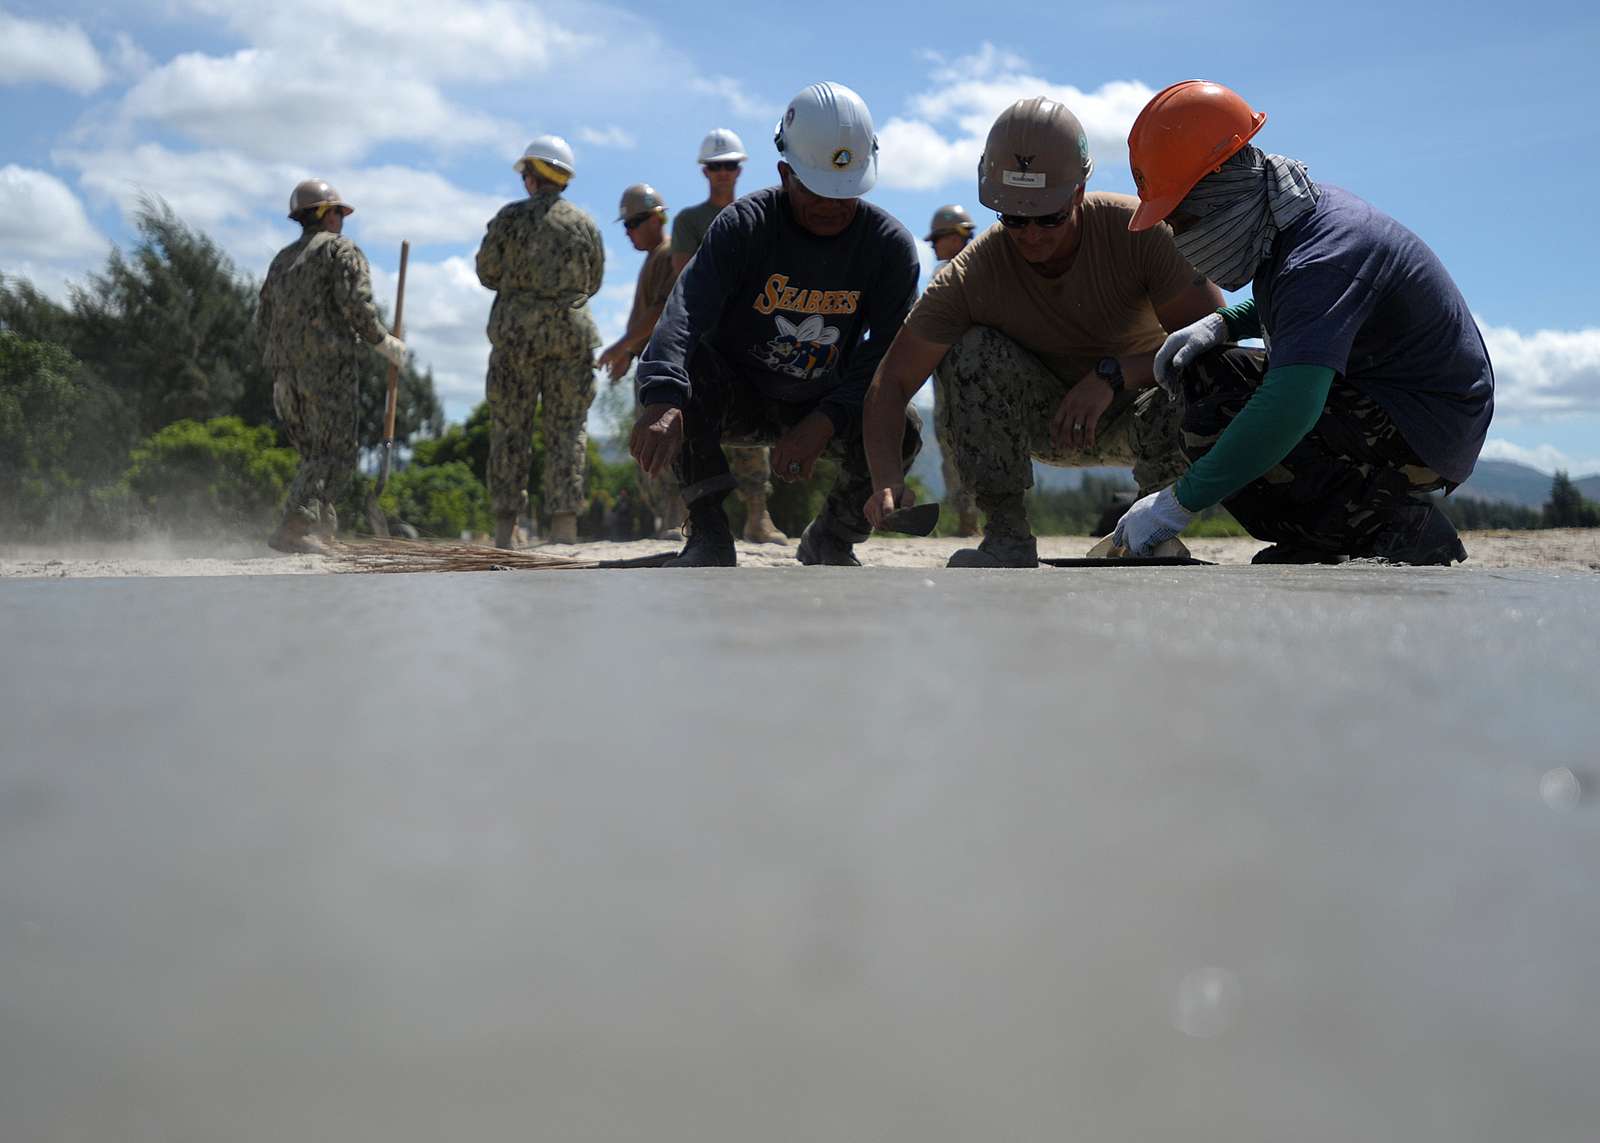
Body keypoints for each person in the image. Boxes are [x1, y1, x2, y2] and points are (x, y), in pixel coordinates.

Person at [1109, 80, 1492, 565]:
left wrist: (1177, 503)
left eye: (1182, 221)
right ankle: (1330, 533)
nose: (1181, 238)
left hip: (1426, 428)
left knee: (1225, 405)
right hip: (1391, 398)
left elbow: (1291, 406)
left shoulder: (1322, 255)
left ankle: (1393, 530)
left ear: (1223, 187)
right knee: (1209, 372)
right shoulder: (1293, 217)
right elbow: (1307, 308)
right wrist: (1224, 324)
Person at [861, 97, 1224, 567]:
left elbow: (1214, 341)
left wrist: (1114, 375)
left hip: (1138, 410)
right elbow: (891, 382)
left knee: (1210, 377)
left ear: (1079, 191)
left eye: (1048, 217)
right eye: (1014, 219)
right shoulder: (972, 273)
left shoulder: (1140, 233)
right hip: (1041, 420)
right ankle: (1006, 534)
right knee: (967, 350)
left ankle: (1151, 530)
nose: (1031, 235)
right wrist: (887, 479)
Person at [631, 81, 922, 567]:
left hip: (820, 399)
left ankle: (833, 536)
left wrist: (825, 420)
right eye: (816, 191)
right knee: (686, 372)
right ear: (786, 173)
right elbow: (684, 312)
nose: (831, 206)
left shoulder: (888, 247)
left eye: (844, 194)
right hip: (736, 394)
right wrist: (662, 395)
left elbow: (886, 358)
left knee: (906, 427)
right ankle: (708, 534)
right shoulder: (744, 225)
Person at [257, 179, 405, 554]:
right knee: (333, 453)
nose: (343, 219)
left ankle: (321, 531)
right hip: (326, 369)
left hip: (283, 374)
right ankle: (294, 526)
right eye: (339, 212)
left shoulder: (282, 260)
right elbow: (357, 305)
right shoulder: (340, 250)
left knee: (312, 454)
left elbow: (262, 320)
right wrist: (383, 342)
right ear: (325, 214)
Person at [475, 134, 604, 548]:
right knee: (567, 430)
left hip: (516, 338)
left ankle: (504, 528)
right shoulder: (584, 223)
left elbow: (486, 273)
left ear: (532, 176)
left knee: (510, 428)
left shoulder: (508, 219)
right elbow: (594, 280)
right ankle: (564, 529)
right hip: (570, 336)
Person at [669, 127, 787, 545]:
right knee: (692, 421)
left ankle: (758, 516)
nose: (723, 172)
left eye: (730, 165)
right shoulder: (688, 221)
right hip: (705, 335)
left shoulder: (758, 215)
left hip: (748, 332)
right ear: (706, 171)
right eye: (716, 166)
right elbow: (683, 276)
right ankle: (692, 514)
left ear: (740, 169)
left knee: (755, 434)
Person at [597, 183, 684, 539]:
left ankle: (679, 520)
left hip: (666, 369)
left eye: (633, 223)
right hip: (649, 366)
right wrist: (629, 353)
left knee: (667, 443)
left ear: (656, 217)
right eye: (626, 225)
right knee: (649, 449)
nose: (628, 232)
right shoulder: (653, 259)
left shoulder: (668, 255)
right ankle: (669, 520)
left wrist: (620, 347)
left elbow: (662, 311)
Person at [924, 204, 980, 536]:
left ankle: (976, 519)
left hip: (967, 378)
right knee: (953, 448)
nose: (932, 245)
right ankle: (967, 520)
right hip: (949, 377)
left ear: (956, 235)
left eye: (937, 238)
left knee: (965, 446)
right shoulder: (949, 273)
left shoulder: (973, 271)